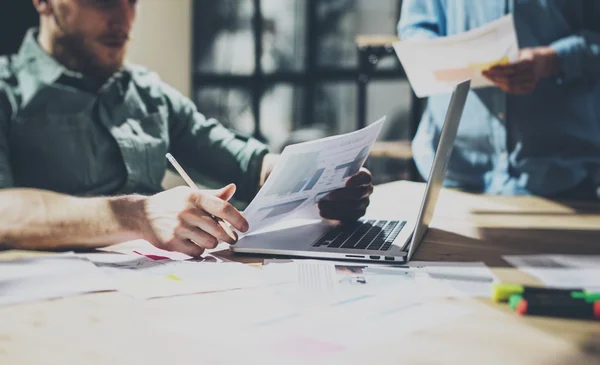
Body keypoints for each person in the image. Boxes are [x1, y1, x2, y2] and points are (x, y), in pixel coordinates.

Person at [0, 0, 373, 255]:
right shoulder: (7, 91)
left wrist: (317, 182)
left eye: (132, 1)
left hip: (163, 292)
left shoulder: (148, 93)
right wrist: (138, 216)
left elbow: (243, 161)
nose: (123, 19)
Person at [399, 0, 600, 201]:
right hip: (453, 172)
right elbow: (414, 29)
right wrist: (452, 57)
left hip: (563, 178)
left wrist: (554, 59)